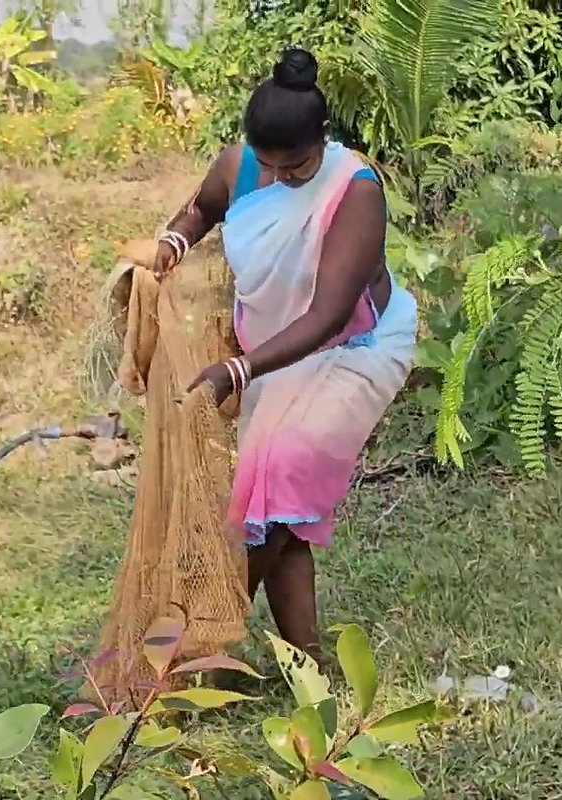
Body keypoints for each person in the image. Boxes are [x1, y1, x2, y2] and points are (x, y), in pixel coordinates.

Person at [152, 47, 417, 661]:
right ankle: (307, 661)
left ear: (322, 138)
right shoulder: (240, 166)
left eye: (295, 167)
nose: (281, 179)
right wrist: (175, 238)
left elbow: (326, 316)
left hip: (355, 348)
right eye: (268, 166)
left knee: (280, 476)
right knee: (273, 507)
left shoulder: (356, 190)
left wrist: (237, 369)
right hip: (273, 356)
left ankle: (195, 642)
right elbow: (200, 209)